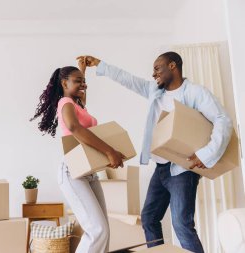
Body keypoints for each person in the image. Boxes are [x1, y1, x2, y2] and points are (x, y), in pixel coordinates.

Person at [78, 52, 233, 253]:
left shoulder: (195, 92)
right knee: (149, 218)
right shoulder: (155, 91)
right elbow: (129, 80)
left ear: (172, 66)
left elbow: (223, 120)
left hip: (182, 171)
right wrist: (100, 64)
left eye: (157, 68)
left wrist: (206, 154)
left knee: (182, 225)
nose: (153, 74)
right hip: (160, 168)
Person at [30, 59, 126, 253]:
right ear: (64, 84)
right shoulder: (65, 103)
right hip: (72, 171)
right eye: (77, 81)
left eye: (83, 81)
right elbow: (74, 127)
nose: (83, 85)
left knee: (103, 230)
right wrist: (109, 151)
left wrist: (82, 72)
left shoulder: (78, 105)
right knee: (97, 229)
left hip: (88, 171)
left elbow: (80, 96)